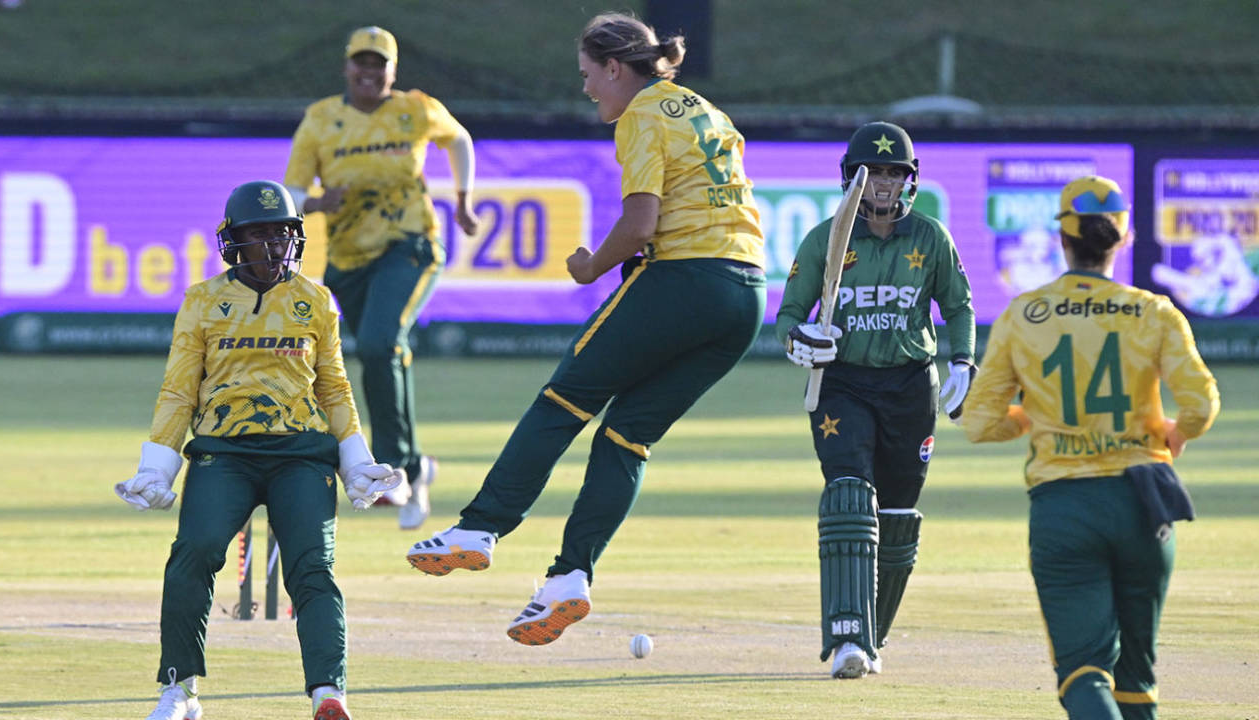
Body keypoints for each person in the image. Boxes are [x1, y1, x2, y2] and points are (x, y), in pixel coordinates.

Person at [405, 11, 767, 647]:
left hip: (685, 279)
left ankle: (479, 528)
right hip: (745, 296)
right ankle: (569, 577)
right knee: (626, 438)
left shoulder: (642, 115)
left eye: (589, 75)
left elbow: (642, 223)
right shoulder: (704, 109)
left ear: (615, 67)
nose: (586, 89)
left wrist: (590, 267)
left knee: (562, 401)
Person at [115, 181, 404, 720]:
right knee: (192, 555)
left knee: (313, 570)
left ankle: (328, 693)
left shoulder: (315, 300)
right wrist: (157, 464)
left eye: (282, 233)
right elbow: (179, 389)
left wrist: (355, 459)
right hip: (222, 454)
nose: (273, 245)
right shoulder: (203, 301)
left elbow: (334, 388)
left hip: (302, 455)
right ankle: (180, 691)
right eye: (259, 234)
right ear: (233, 241)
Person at [962, 175, 1219, 719]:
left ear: (1064, 238)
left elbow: (980, 422)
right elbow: (1200, 407)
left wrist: (1033, 418)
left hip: (1064, 508)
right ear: (1123, 239)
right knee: (1136, 681)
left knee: (1083, 673)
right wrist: (1172, 436)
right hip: (1144, 504)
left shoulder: (1024, 314)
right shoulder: (1154, 311)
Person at [775, 120, 976, 678]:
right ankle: (845, 636)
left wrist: (962, 360)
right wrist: (800, 343)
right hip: (843, 384)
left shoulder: (931, 237)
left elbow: (958, 306)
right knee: (847, 495)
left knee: (897, 517)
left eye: (894, 174)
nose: (883, 185)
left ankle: (871, 636)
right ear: (851, 178)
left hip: (911, 387)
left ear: (910, 181)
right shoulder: (825, 239)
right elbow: (790, 315)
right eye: (873, 174)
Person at [284, 25, 479, 530]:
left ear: (393, 71)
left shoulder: (414, 109)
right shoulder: (322, 120)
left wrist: (462, 198)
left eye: (379, 64)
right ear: (347, 67)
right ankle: (416, 465)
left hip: (410, 244)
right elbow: (291, 191)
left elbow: (458, 140)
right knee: (380, 350)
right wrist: (316, 203)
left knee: (378, 344)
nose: (369, 73)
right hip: (349, 259)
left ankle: (400, 471)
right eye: (361, 63)